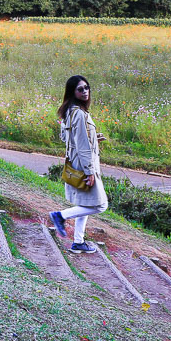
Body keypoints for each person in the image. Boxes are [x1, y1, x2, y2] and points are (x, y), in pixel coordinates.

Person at [50, 75, 109, 254]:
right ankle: (60, 216)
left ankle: (78, 242)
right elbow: (82, 145)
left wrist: (94, 138)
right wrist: (89, 172)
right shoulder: (80, 114)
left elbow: (67, 138)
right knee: (100, 205)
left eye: (86, 88)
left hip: (75, 162)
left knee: (84, 203)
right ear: (72, 92)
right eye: (80, 89)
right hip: (85, 165)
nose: (85, 92)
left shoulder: (68, 111)